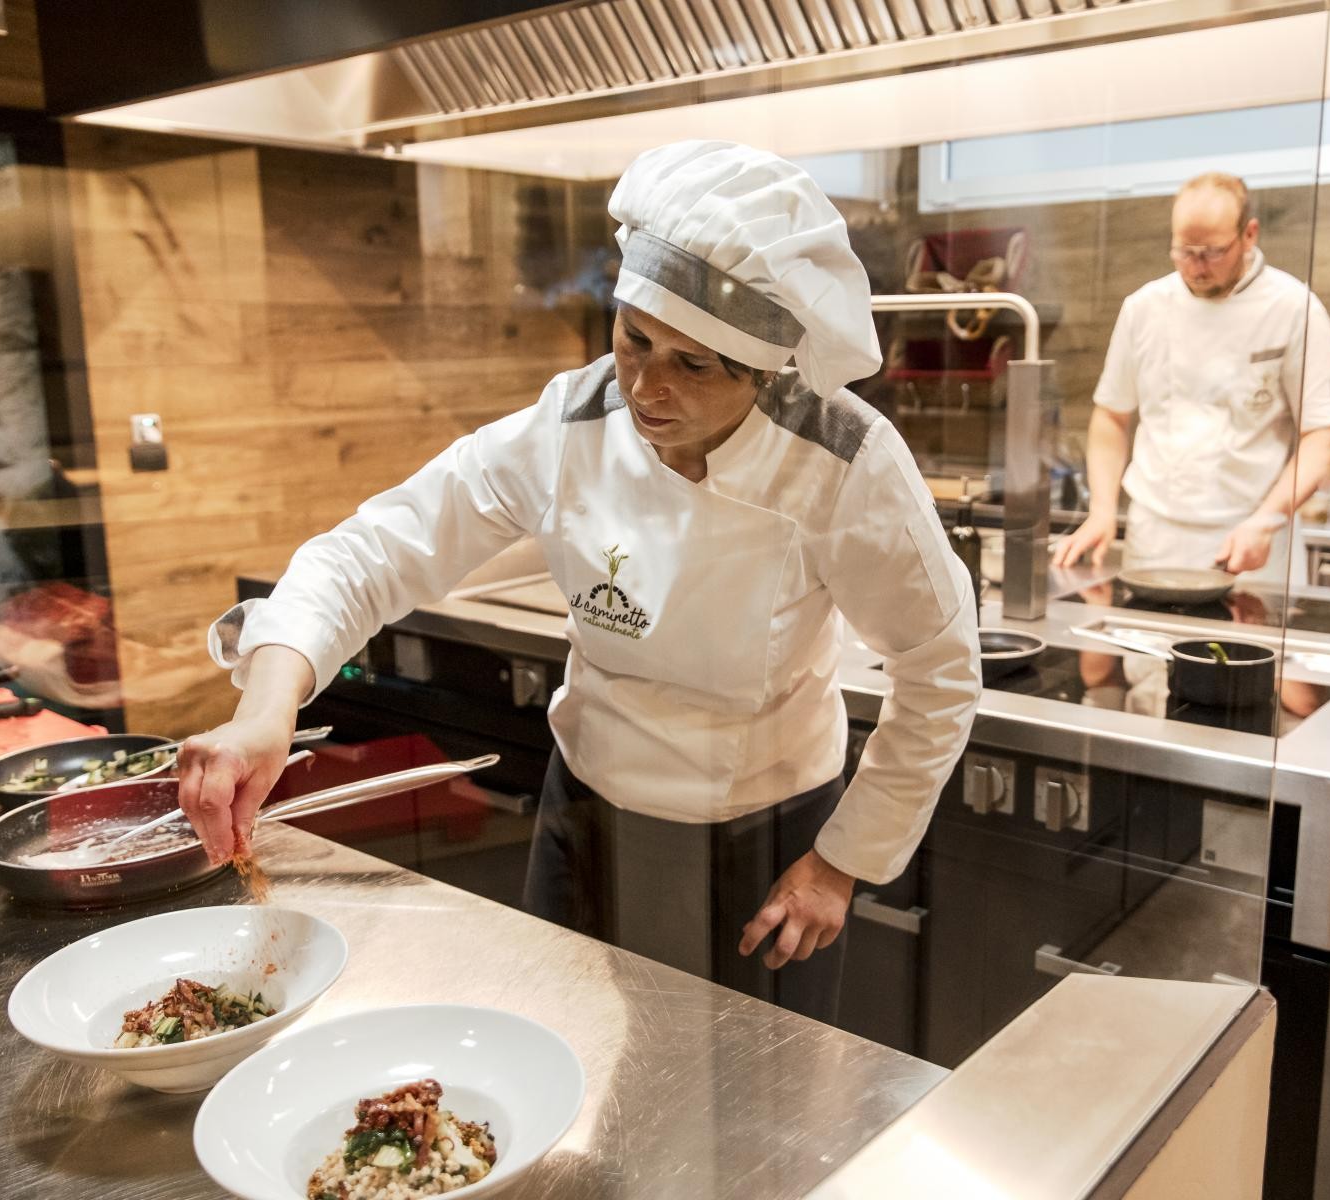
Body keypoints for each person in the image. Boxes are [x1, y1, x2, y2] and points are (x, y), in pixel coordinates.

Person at [176, 140, 982, 1021]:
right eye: (634, 338)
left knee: (752, 1101)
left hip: (763, 837)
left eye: (695, 364)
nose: (646, 387)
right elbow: (379, 549)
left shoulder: (842, 464)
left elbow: (939, 671)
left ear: (764, 373)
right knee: (566, 1062)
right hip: (586, 819)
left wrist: (841, 862)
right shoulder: (573, 421)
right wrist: (265, 712)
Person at [1051, 172, 1330, 577]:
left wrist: (1267, 520)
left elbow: (1324, 434)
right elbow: (1111, 416)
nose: (1196, 267)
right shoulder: (1144, 308)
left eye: (1211, 252)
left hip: (1252, 538)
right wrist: (1102, 511)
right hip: (1154, 535)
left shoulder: (1295, 309)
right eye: (1183, 252)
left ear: (1249, 234)